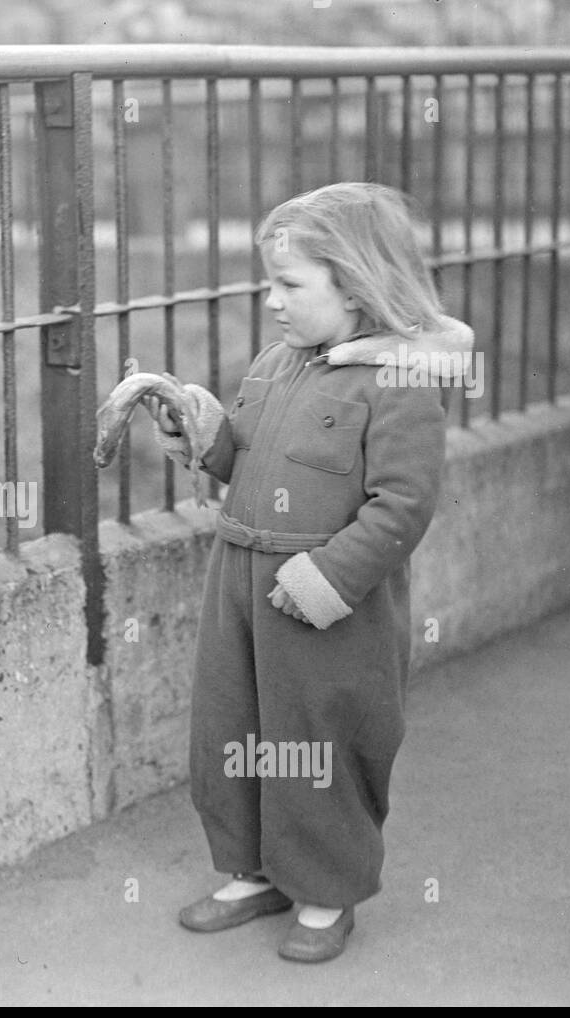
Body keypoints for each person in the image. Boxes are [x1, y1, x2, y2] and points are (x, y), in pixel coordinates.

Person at [150, 182, 473, 961]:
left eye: (290, 285)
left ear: (357, 285)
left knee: (321, 738)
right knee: (233, 728)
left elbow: (402, 507)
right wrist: (206, 437)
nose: (271, 301)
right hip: (240, 576)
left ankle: (328, 890)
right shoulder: (275, 362)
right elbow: (248, 457)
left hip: (331, 604)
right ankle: (253, 867)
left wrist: (329, 577)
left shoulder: (399, 382)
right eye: (271, 283)